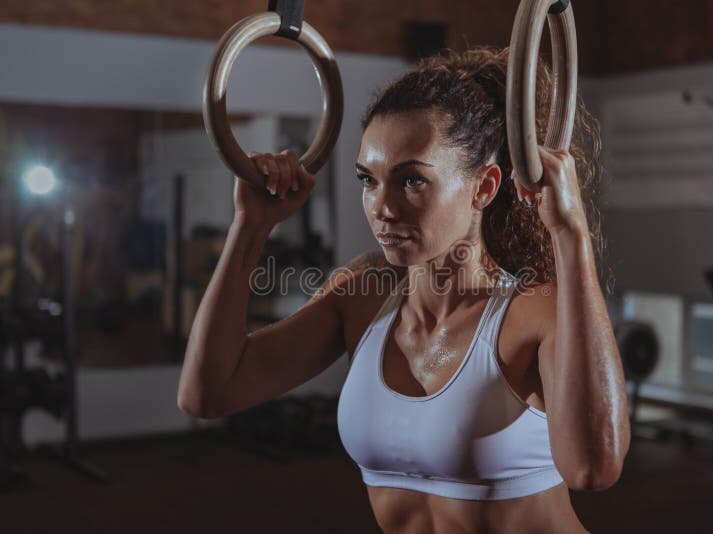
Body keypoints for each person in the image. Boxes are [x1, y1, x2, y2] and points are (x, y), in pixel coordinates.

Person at [178, 46, 630, 533]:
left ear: (483, 187)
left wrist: (571, 235)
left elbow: (594, 468)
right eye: (368, 181)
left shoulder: (532, 312)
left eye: (411, 180)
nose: (382, 207)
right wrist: (250, 226)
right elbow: (209, 393)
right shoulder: (361, 298)